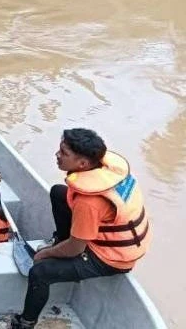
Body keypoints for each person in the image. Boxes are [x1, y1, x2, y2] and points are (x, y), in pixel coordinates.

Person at [11, 129, 150, 329]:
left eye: (64, 153)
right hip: (113, 239)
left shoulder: (89, 202)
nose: (57, 155)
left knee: (40, 272)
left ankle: (26, 322)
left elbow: (76, 248)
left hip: (110, 258)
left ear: (83, 164)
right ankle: (61, 241)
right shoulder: (107, 172)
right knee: (59, 193)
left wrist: (45, 254)